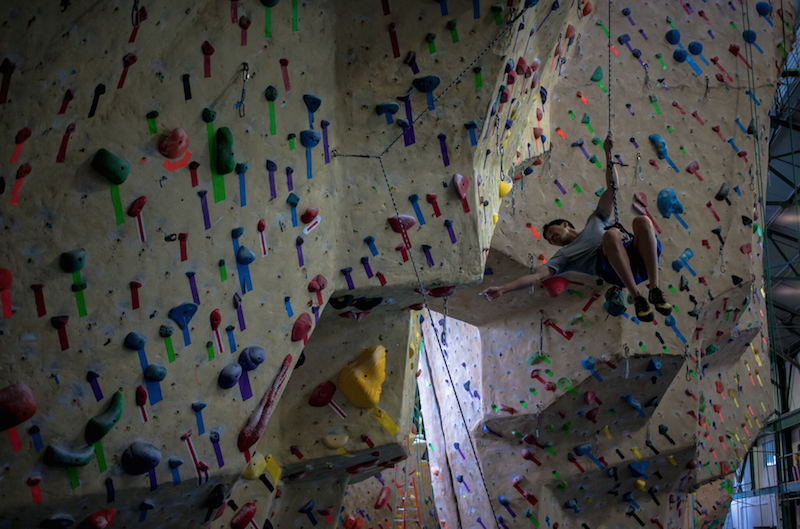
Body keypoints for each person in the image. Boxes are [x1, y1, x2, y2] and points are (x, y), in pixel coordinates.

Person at [480, 131, 672, 322]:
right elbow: (536, 277)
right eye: (549, 240)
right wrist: (504, 289)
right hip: (616, 271)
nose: (551, 238)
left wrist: (607, 153)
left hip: (641, 259)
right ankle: (638, 297)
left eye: (551, 232)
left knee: (642, 221)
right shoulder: (564, 257)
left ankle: (655, 289)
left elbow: (613, 188)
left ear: (564, 224)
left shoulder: (596, 220)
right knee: (611, 235)